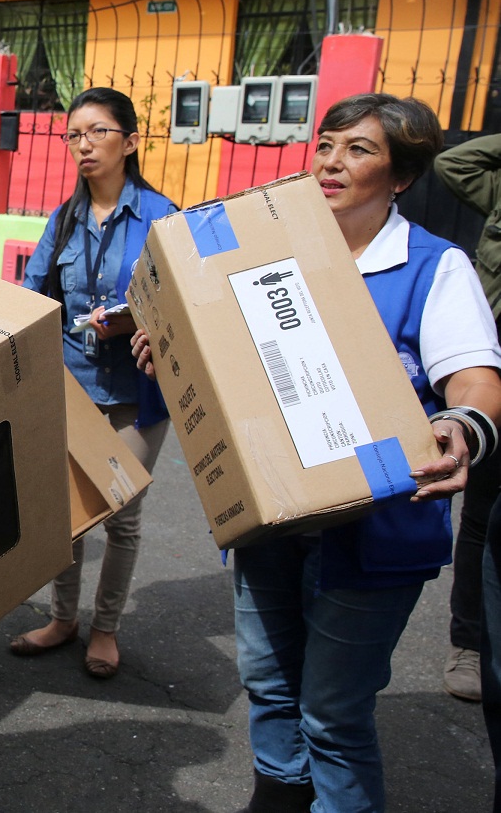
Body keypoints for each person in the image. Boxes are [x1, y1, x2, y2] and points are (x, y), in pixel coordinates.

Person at [134, 94, 501, 813]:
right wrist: (171, 349)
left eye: (359, 149)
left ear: (399, 176)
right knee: (269, 686)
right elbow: (230, 368)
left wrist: (461, 424)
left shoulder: (433, 266)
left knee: (332, 715)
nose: (333, 162)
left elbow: (477, 380)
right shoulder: (270, 255)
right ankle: (276, 798)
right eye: (327, 144)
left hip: (375, 531)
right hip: (272, 518)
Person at [7, 86, 176, 680]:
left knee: (121, 512)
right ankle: (63, 618)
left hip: (138, 392)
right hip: (69, 383)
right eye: (74, 135)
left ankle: (105, 628)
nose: (83, 145)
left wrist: (140, 320)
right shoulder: (64, 218)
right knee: (66, 507)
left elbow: (184, 306)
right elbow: (34, 294)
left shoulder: (163, 217)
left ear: (130, 142)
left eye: (97, 132)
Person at [433, 132, 501, 703]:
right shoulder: (497, 185)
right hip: (486, 374)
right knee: (481, 520)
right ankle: (471, 642)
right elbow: (456, 161)